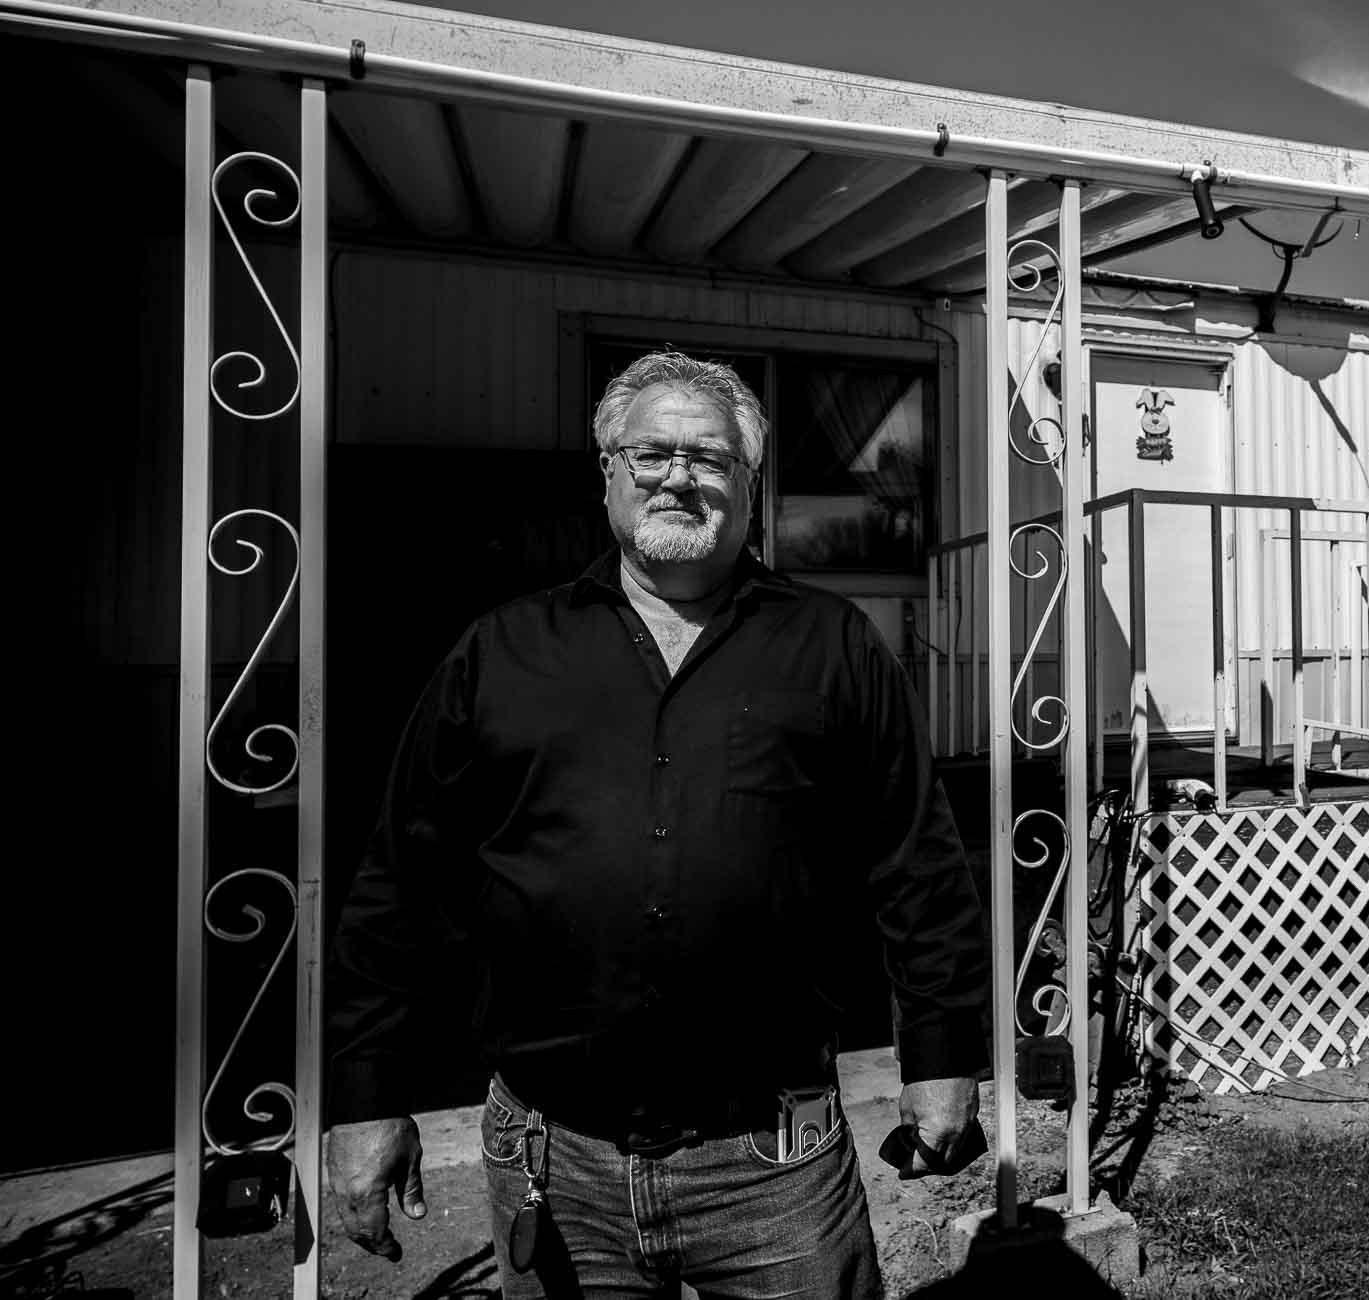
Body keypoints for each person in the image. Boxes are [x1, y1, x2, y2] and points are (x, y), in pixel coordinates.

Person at [325, 350, 991, 1298]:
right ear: (608, 473)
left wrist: (941, 1058)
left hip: (776, 1169)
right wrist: (365, 1097)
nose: (680, 476)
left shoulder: (832, 645)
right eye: (652, 453)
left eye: (710, 459)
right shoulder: (502, 652)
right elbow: (399, 880)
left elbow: (915, 864)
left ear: (751, 487)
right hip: (554, 1160)